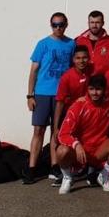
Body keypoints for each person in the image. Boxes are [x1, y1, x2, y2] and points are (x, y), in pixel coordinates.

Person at [24, 12, 75, 185]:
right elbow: (34, 71)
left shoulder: (71, 44)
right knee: (38, 130)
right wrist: (30, 95)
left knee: (57, 131)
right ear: (50, 25)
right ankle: (32, 168)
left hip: (61, 94)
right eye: (55, 24)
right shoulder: (43, 44)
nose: (58, 28)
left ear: (66, 24)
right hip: (43, 93)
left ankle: (54, 167)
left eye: (61, 24)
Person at [56, 75, 109, 194]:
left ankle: (104, 175)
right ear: (87, 89)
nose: (95, 93)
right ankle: (68, 177)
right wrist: (76, 144)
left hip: (99, 150)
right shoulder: (78, 106)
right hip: (80, 152)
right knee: (61, 151)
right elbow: (63, 134)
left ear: (104, 90)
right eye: (91, 89)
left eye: (98, 89)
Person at [51, 45, 91, 184]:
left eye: (84, 58)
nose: (81, 61)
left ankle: (88, 169)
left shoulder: (93, 72)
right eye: (78, 58)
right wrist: (56, 127)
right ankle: (65, 174)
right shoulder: (67, 77)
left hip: (88, 117)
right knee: (65, 146)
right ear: (73, 59)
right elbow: (60, 103)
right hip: (71, 116)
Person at [75, 10, 109, 74]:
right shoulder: (79, 40)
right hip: (84, 80)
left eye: (97, 22)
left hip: (103, 81)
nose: (94, 25)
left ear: (103, 23)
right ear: (88, 23)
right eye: (92, 22)